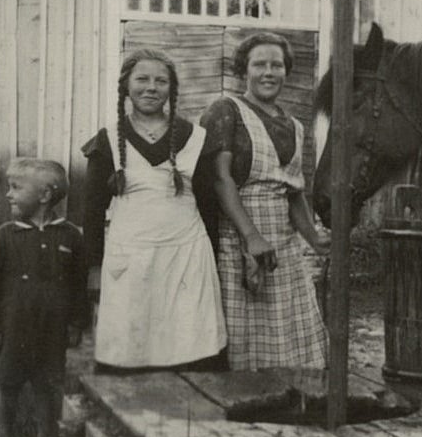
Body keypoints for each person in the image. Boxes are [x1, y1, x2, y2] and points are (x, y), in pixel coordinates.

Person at [82, 49, 227, 373]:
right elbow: (91, 212)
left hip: (187, 259)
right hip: (130, 260)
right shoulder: (107, 140)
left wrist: (213, 262)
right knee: (130, 350)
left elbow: (208, 207)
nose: (151, 87)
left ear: (171, 89)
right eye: (142, 79)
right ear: (126, 86)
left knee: (191, 346)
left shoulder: (195, 138)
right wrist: (93, 268)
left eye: (161, 81)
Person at [200, 32, 329, 371]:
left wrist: (315, 239)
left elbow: (293, 191)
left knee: (290, 332)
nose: (268, 72)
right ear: (244, 70)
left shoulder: (295, 126)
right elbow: (220, 179)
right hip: (239, 240)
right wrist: (251, 236)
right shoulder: (226, 111)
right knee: (246, 335)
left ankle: (292, 401)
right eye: (260, 64)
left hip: (284, 246)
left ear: (287, 71)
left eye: (277, 65)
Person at [0, 158, 88, 437]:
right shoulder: (4, 236)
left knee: (47, 386)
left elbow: (79, 286)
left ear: (44, 195)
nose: (8, 195)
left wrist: (76, 322)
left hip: (51, 331)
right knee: (7, 384)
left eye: (15, 187)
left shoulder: (69, 236)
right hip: (14, 328)